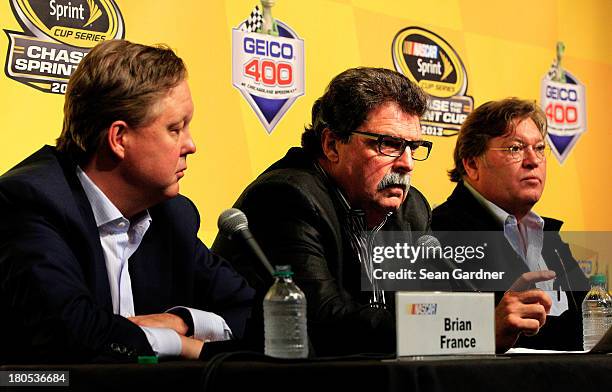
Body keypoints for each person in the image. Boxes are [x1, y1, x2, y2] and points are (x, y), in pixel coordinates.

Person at [0, 40, 254, 364]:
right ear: (119, 138)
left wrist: (182, 322)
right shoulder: (30, 203)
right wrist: (181, 345)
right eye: (175, 129)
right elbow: (71, 333)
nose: (191, 145)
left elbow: (254, 312)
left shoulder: (171, 217)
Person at [212, 67, 433, 355]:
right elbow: (323, 319)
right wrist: (442, 329)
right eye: (388, 144)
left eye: (413, 147)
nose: (407, 163)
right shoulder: (285, 196)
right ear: (331, 145)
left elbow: (427, 303)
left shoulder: (412, 208)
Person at [431, 98, 588, 351]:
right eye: (515, 148)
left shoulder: (549, 235)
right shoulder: (438, 234)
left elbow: (591, 323)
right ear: (472, 164)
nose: (533, 160)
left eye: (539, 148)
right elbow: (441, 337)